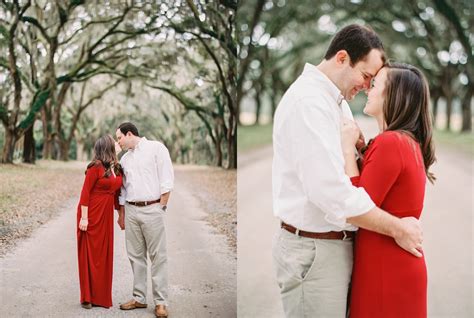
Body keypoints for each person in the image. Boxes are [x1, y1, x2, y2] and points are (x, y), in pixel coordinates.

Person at [271, 24, 424, 317]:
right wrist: (399, 228)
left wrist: (359, 151)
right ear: (342, 58)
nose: (368, 86)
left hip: (333, 248)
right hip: (314, 251)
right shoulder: (309, 103)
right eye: (366, 76)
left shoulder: (335, 100)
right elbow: (332, 194)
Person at [341, 63, 435, 317]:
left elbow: (356, 204)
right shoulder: (405, 141)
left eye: (375, 85)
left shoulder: (391, 142)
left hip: (386, 270)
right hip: (393, 265)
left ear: (393, 95)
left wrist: (348, 150)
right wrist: (363, 153)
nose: (367, 90)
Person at [115, 122, 174, 318]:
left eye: (119, 138)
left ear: (129, 133)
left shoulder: (156, 149)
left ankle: (161, 303)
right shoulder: (124, 160)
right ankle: (139, 298)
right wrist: (122, 215)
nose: (118, 142)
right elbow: (122, 190)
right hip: (131, 211)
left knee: (158, 257)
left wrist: (161, 207)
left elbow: (167, 179)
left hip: (153, 209)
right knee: (135, 256)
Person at [77, 135, 123, 309]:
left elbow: (118, 194)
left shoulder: (117, 168)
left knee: (103, 255)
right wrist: (84, 217)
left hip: (106, 216)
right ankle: (87, 297)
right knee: (89, 255)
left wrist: (120, 215)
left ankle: (101, 296)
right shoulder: (94, 167)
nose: (118, 144)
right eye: (115, 143)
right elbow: (85, 193)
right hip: (90, 214)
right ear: (107, 148)